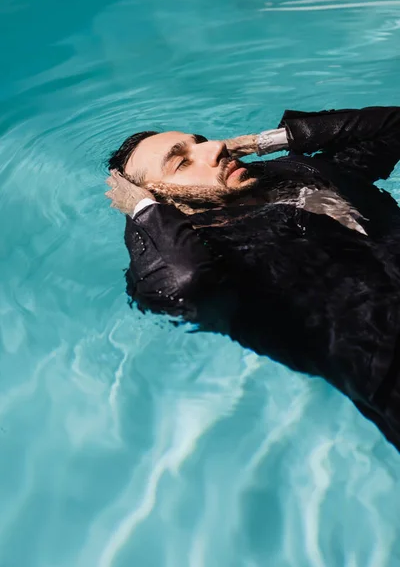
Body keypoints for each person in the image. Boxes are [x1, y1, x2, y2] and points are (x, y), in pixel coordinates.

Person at [106, 106, 400, 451]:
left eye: (199, 142)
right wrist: (142, 210)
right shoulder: (208, 254)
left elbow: (393, 126)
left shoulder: (299, 174)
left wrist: (261, 142)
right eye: (182, 162)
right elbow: (185, 287)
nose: (214, 147)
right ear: (159, 197)